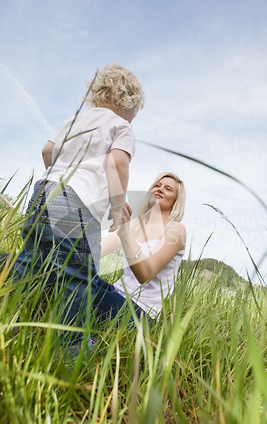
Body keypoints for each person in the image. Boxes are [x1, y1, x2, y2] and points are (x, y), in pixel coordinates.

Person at [14, 63, 145, 346]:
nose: (133, 120)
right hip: (77, 204)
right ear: (129, 103)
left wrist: (59, 174)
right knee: (77, 276)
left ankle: (11, 318)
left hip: (43, 193)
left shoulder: (74, 122)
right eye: (135, 114)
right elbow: (116, 162)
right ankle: (70, 346)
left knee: (30, 263)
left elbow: (47, 151)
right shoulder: (120, 126)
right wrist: (116, 204)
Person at [93, 172, 186, 323]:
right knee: (76, 275)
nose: (160, 189)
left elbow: (145, 274)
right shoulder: (135, 223)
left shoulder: (176, 229)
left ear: (176, 201)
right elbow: (96, 251)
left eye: (168, 189)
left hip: (139, 312)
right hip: (116, 293)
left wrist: (125, 234)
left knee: (80, 286)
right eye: (157, 185)